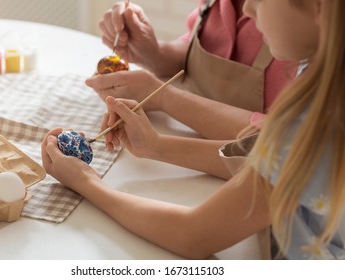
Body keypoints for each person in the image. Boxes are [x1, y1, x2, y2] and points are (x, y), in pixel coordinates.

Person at [42, 0, 344, 259]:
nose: (250, 8)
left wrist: (87, 183)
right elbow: (269, 158)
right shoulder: (317, 77)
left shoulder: (315, 117)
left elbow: (192, 234)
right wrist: (156, 145)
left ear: (320, 7)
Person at [86, 0, 296, 179]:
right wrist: (154, 54)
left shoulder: (299, 28)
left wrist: (162, 97)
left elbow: (287, 141)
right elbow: (199, 49)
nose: (249, 8)